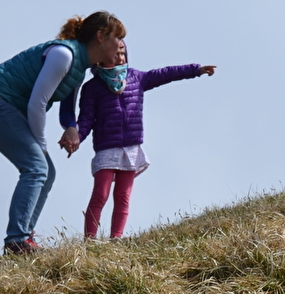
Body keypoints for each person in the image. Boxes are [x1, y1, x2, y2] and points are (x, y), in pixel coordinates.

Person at [0, 12, 126, 254]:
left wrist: (72, 129)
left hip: (2, 105)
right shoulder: (64, 55)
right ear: (100, 37)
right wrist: (42, 145)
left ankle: (24, 238)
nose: (120, 45)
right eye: (118, 38)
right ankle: (17, 240)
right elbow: (37, 103)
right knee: (37, 167)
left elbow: (66, 111)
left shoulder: (79, 67)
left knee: (47, 171)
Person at [77, 40, 216, 239]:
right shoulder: (92, 88)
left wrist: (196, 70)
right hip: (107, 148)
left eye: (123, 52)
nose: (120, 57)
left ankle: (117, 238)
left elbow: (167, 73)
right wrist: (76, 138)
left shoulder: (136, 78)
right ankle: (89, 239)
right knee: (101, 194)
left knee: (123, 196)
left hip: (132, 148)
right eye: (116, 53)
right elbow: (86, 119)